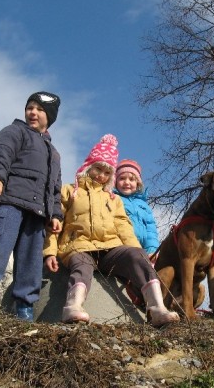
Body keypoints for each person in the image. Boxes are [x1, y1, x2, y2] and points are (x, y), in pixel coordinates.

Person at [43, 134, 179, 327]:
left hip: (110, 249)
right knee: (81, 266)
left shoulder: (113, 199)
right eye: (98, 168)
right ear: (89, 166)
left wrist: (139, 253)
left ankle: (157, 308)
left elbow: (124, 227)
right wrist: (49, 252)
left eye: (107, 173)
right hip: (78, 246)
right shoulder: (70, 191)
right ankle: (73, 307)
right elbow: (55, 224)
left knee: (136, 255)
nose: (101, 175)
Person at [0, 91, 63, 322]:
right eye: (30, 107)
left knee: (31, 264)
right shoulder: (14, 131)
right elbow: (0, 154)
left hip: (37, 214)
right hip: (9, 201)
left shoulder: (54, 153)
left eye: (40, 110)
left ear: (49, 117)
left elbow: (55, 188)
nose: (33, 112)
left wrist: (56, 213)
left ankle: (24, 312)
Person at [114, 159, 160, 257]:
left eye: (131, 179)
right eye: (122, 178)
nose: (126, 182)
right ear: (115, 182)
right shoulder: (114, 199)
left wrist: (152, 250)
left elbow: (150, 230)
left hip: (141, 249)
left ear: (138, 183)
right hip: (120, 246)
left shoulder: (143, 205)